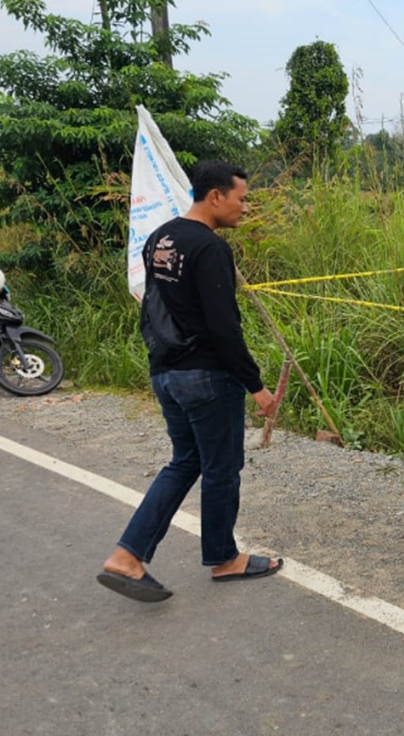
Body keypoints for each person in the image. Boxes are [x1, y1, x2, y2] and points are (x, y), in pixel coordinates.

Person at [97, 159, 281, 603]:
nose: (244, 208)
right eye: (241, 199)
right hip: (206, 377)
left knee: (185, 462)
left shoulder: (160, 237)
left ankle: (127, 556)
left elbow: (154, 306)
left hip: (166, 372)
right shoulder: (210, 248)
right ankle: (224, 558)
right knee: (221, 468)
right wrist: (256, 386)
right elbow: (224, 328)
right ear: (215, 195)